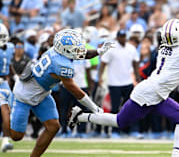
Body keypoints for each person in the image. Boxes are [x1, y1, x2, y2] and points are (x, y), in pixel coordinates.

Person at [70, 19, 179, 157]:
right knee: (119, 121)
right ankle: (81, 116)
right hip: (148, 95)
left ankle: (176, 154)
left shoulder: (164, 48)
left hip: (156, 94)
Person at [0, 29, 114, 157]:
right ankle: (4, 104)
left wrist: (99, 51)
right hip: (24, 95)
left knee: (53, 127)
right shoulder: (61, 64)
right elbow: (75, 90)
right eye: (74, 47)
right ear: (65, 49)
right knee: (16, 136)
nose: (78, 49)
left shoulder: (58, 52)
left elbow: (83, 54)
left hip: (41, 93)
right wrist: (94, 108)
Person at [0, 24, 15, 152]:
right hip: (3, 83)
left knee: (8, 112)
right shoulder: (10, 47)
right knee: (6, 111)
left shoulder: (10, 47)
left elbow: (9, 65)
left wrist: (14, 76)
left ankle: (5, 140)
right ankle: (5, 140)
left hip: (4, 83)